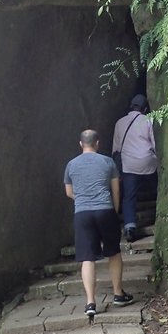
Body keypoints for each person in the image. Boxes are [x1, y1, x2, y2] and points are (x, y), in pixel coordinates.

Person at [63, 129, 134, 318]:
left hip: (82, 213)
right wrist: (114, 210)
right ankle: (118, 294)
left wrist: (83, 199)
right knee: (113, 252)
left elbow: (69, 192)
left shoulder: (71, 165)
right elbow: (116, 190)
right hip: (105, 210)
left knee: (87, 257)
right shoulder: (107, 162)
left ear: (81, 144)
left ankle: (90, 302)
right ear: (97, 143)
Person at [112, 93, 158, 243]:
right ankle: (160, 213)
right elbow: (154, 143)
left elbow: (116, 148)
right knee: (157, 188)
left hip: (128, 164)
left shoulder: (120, 123)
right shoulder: (148, 120)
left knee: (129, 197)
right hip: (147, 162)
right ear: (145, 109)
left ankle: (130, 227)